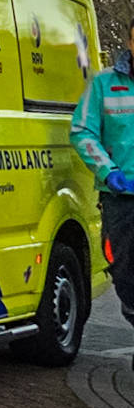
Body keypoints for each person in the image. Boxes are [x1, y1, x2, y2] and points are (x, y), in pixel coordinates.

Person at [73, 17, 134, 324]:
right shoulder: (104, 84)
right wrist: (108, 170)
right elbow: (83, 131)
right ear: (130, 43)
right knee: (124, 271)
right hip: (121, 196)